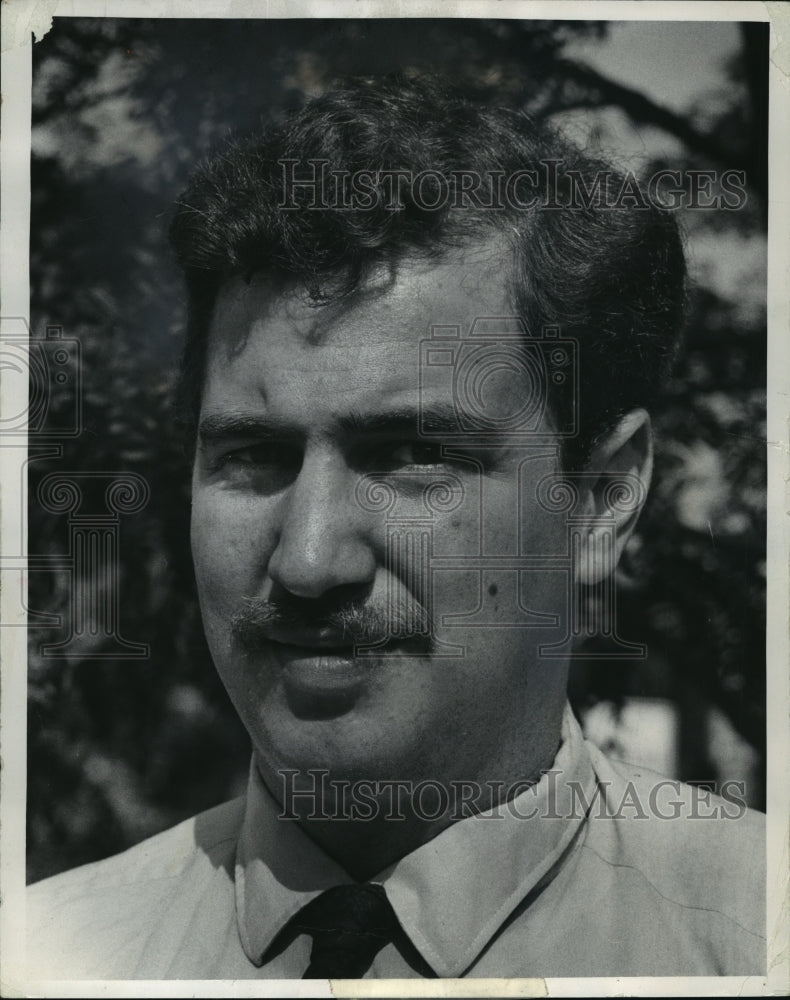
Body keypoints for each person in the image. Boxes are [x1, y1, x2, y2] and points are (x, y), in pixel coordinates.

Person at [27, 76, 764, 981]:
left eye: (413, 452)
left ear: (603, 497)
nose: (308, 560)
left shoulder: (751, 942)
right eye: (253, 456)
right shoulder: (46, 959)